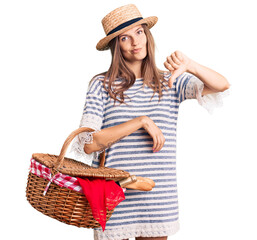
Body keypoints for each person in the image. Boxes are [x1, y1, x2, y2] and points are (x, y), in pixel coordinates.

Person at [70, 4, 230, 240]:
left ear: (147, 34)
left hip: (157, 196)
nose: (135, 42)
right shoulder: (101, 85)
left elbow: (222, 85)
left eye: (139, 32)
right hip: (113, 196)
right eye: (125, 38)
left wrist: (191, 65)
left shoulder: (170, 81)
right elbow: (88, 144)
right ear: (116, 46)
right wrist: (141, 121)